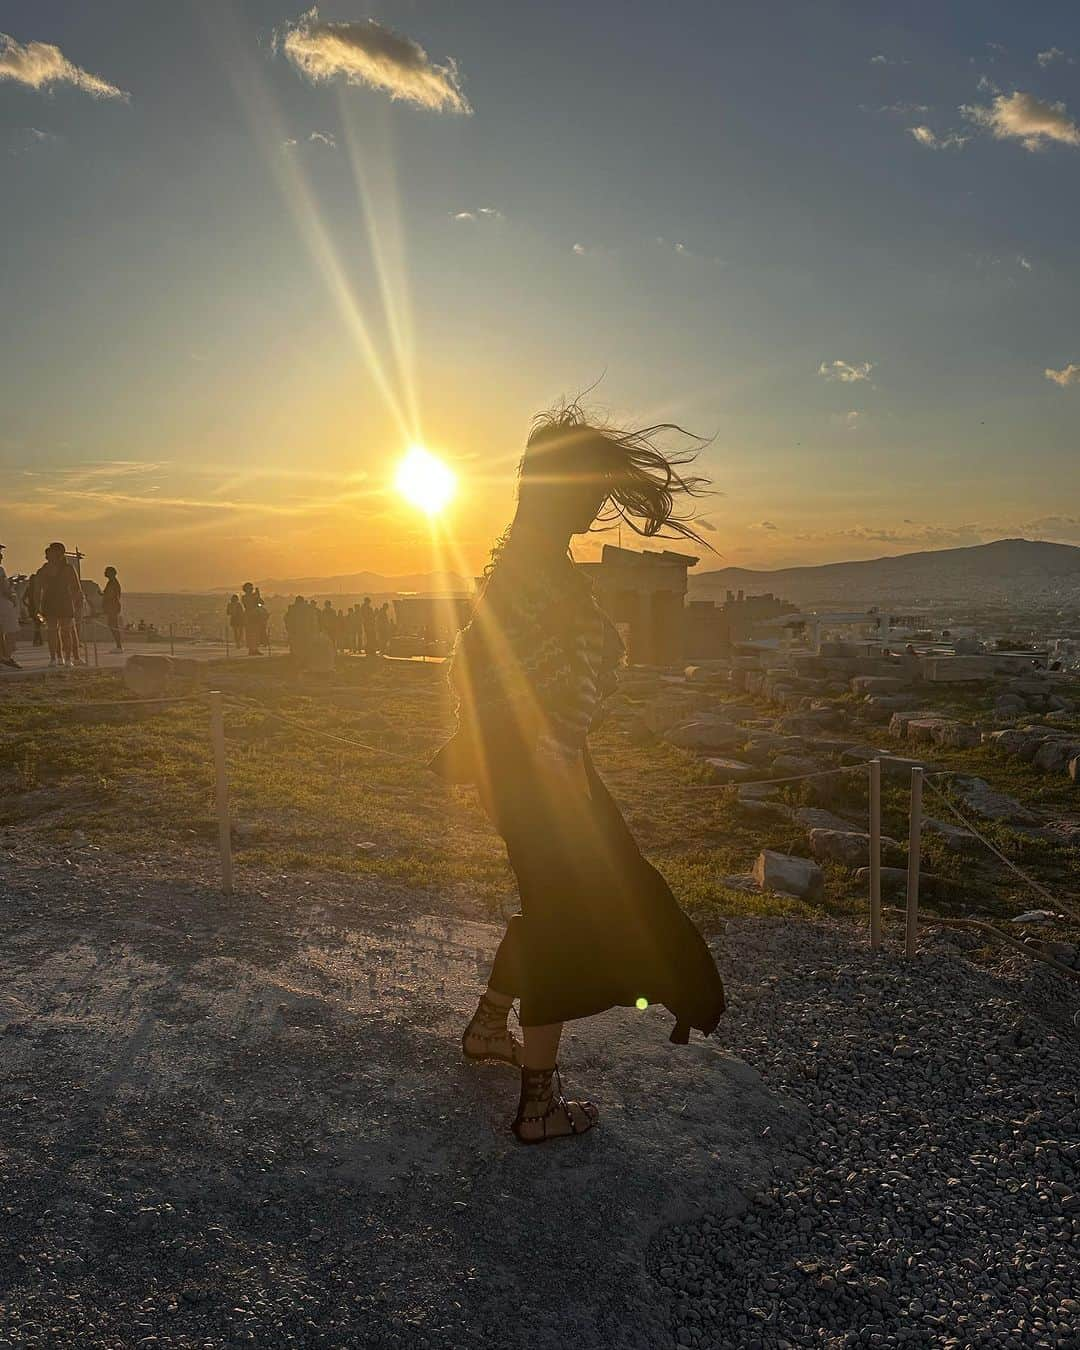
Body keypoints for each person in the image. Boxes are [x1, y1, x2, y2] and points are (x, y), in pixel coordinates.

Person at [432, 404, 726, 1144]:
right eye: (592, 490)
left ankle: (487, 1026)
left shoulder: (516, 563)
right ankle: (537, 1107)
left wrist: (479, 740)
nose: (599, 505)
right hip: (548, 775)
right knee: (575, 913)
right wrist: (562, 774)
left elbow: (475, 661)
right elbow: (559, 688)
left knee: (551, 900)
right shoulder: (546, 577)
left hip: (515, 774)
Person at [34, 542, 82, 668]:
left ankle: (67, 658)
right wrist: (37, 606)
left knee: (66, 631)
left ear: (59, 553)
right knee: (52, 631)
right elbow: (37, 588)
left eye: (50, 552)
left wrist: (77, 604)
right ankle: (55, 658)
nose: (48, 556)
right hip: (49, 602)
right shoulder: (44, 569)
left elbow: (76, 588)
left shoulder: (68, 568)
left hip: (65, 601)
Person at [0, 544, 21, 669]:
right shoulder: (0, 570)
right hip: (3, 603)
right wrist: (11, 595)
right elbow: (3, 587)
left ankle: (3, 657)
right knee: (12, 631)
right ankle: (6, 657)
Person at [102, 566, 123, 652]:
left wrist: (104, 596)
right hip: (112, 607)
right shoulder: (111, 582)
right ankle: (118, 645)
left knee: (114, 626)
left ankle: (119, 646)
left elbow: (110, 595)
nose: (105, 573)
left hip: (113, 607)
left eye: (106, 571)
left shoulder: (113, 583)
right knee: (112, 625)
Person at [241, 582, 263, 656]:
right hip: (250, 616)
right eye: (250, 588)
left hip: (255, 616)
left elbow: (261, 602)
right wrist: (256, 596)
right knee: (250, 633)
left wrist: (258, 595)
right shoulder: (245, 597)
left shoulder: (253, 596)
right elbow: (249, 605)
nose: (251, 589)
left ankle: (255, 649)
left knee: (256, 633)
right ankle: (252, 649)